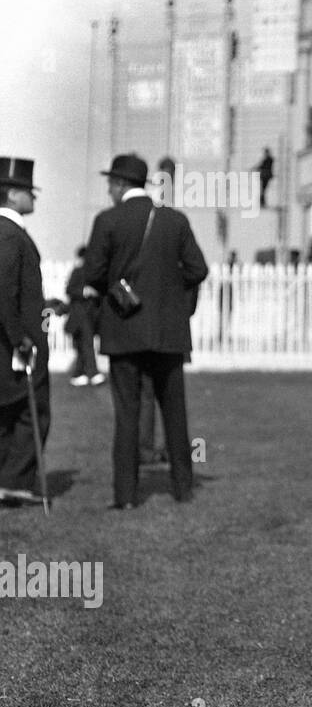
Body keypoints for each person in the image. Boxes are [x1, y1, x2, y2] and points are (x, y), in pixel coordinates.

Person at [83, 153, 209, 509]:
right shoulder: (175, 220)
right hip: (169, 331)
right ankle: (183, 488)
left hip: (124, 329)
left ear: (121, 184)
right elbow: (198, 269)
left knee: (127, 414)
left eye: (111, 183)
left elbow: (93, 274)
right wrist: (169, 290)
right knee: (174, 410)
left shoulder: (107, 221)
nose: (109, 189)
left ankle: (125, 496)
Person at [0, 156, 51, 507]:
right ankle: (14, 481)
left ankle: (10, 481)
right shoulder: (8, 234)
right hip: (16, 343)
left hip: (13, 338)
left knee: (10, 409)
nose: (34, 198)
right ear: (14, 194)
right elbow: (4, 291)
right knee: (32, 410)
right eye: (29, 192)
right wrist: (20, 338)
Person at [65, 246, 106, 386]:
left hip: (89, 315)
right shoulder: (78, 272)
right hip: (80, 314)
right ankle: (92, 372)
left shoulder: (92, 273)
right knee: (86, 342)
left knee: (83, 344)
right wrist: (84, 291)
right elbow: (69, 290)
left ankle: (79, 373)